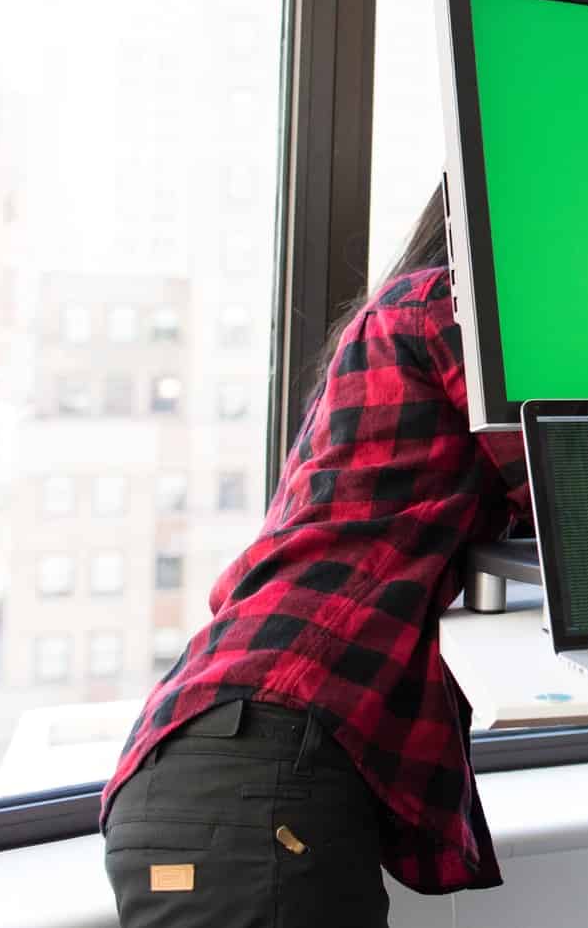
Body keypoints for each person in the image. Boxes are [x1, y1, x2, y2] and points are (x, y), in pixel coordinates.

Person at [101, 188, 525, 926]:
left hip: (210, 762)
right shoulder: (448, 305)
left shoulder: (389, 327)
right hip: (255, 773)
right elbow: (574, 493)